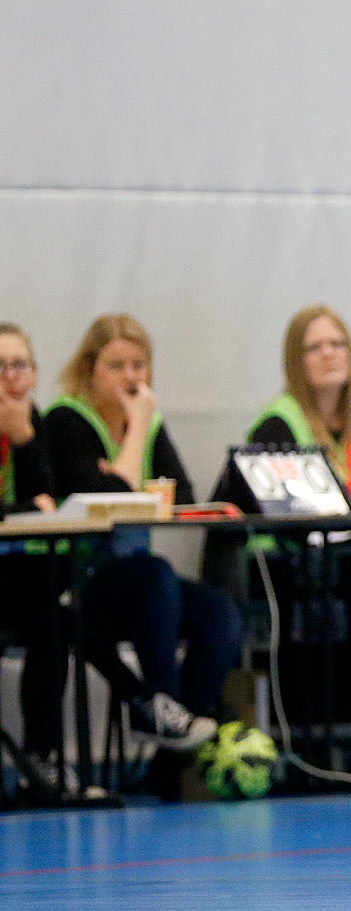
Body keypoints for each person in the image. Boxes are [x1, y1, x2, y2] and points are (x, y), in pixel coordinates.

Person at [44, 313, 240, 758]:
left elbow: (183, 496)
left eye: (139, 364)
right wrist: (131, 447)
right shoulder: (65, 421)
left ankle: (173, 745)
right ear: (89, 369)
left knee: (220, 617)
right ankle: (159, 706)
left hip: (143, 587)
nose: (131, 377)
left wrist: (130, 463)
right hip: (82, 582)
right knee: (154, 574)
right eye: (117, 366)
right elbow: (113, 500)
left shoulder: (149, 423)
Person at [0, 322, 72, 794]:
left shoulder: (36, 421)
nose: (9, 377)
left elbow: (48, 502)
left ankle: (38, 760)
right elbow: (33, 507)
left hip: (18, 576)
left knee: (54, 618)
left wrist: (23, 438)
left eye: (18, 365)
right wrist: (26, 509)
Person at [246, 304, 351, 509]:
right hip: (309, 538)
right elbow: (285, 515)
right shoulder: (278, 422)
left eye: (337, 344)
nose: (328, 354)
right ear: (295, 362)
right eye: (313, 348)